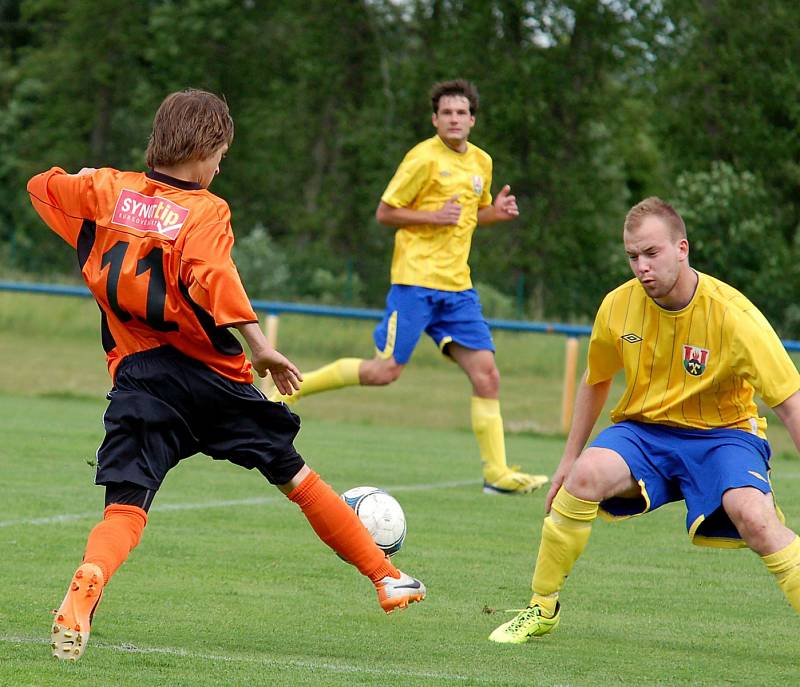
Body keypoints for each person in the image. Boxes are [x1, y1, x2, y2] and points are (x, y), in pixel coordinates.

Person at [27, 89, 425, 662]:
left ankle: (89, 576)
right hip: (213, 380)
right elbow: (213, 274)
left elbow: (42, 186)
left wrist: (83, 175)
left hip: (139, 379)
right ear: (206, 148)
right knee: (295, 476)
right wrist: (260, 345)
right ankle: (386, 577)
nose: (220, 168)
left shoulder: (107, 191)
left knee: (125, 507)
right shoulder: (206, 211)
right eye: (221, 156)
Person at [489, 196, 800, 643]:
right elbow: (595, 380)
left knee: (752, 516)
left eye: (651, 253)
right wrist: (567, 459)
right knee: (583, 478)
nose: (641, 267)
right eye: (632, 256)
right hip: (645, 432)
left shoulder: (736, 317)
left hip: (723, 435)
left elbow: (790, 403)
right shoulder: (617, 307)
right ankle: (541, 608)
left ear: (682, 249)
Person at [269, 79, 547, 496]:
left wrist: (496, 213)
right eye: (446, 113)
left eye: (461, 112)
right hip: (415, 283)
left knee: (487, 376)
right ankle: (287, 390)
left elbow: (470, 215)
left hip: (458, 290)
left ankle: (497, 474)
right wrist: (434, 217)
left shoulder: (482, 163)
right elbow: (385, 213)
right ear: (435, 119)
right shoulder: (421, 159)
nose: (454, 119)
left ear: (472, 120)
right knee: (385, 372)